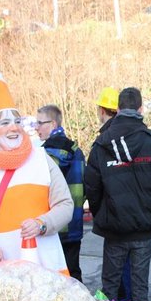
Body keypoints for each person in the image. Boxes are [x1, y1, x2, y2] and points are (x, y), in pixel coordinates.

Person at [0, 56, 72, 270]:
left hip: (44, 268)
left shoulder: (40, 158)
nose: (14, 128)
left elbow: (65, 204)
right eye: (5, 123)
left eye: (17, 121)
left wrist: (42, 224)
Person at [85, 87, 151, 301]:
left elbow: (92, 188)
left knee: (110, 289)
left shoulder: (102, 144)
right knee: (140, 288)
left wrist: (103, 216)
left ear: (119, 108)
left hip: (114, 229)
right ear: (141, 109)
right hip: (143, 228)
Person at [36, 104, 85, 282]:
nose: (36, 128)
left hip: (53, 224)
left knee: (53, 277)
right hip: (74, 222)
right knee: (73, 273)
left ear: (53, 124)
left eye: (40, 123)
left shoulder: (44, 154)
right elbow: (85, 187)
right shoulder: (76, 150)